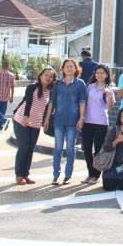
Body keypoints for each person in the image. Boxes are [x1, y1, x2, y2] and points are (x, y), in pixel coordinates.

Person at [12, 66, 55, 185]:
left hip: (36, 123)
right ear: (40, 76)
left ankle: (25, 174)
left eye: (51, 77)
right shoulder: (32, 87)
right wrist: (24, 116)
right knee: (24, 147)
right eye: (46, 75)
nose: (48, 78)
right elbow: (28, 102)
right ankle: (19, 175)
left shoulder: (51, 92)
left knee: (30, 149)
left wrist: (46, 121)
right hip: (22, 120)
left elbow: (49, 108)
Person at [49, 58, 87, 186]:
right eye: (67, 66)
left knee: (70, 148)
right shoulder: (57, 84)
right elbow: (51, 103)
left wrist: (82, 118)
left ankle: (68, 175)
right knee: (58, 148)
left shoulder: (80, 84)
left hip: (73, 121)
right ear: (62, 69)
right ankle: (55, 175)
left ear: (76, 69)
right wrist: (46, 119)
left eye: (71, 66)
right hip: (58, 120)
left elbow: (82, 102)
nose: (69, 68)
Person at [81, 63, 114, 185]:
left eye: (102, 73)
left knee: (98, 149)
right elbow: (84, 103)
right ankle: (90, 173)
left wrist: (109, 94)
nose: (99, 75)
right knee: (87, 149)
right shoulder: (90, 87)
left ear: (107, 75)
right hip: (87, 122)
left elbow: (110, 107)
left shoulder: (108, 89)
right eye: (98, 72)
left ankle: (96, 175)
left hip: (101, 123)